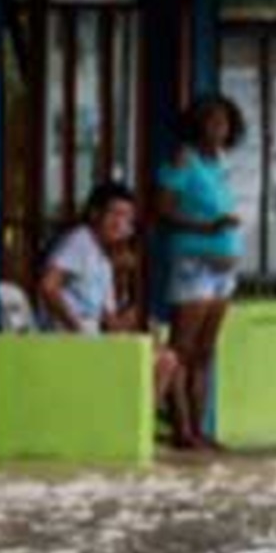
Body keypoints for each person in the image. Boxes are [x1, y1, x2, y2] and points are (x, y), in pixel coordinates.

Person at [40, 181, 183, 422]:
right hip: (68, 339)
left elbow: (109, 320)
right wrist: (75, 328)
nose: (120, 223)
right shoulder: (80, 241)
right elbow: (48, 286)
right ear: (95, 214)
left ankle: (137, 422)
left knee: (166, 357)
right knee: (163, 361)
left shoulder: (104, 258)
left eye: (127, 218)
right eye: (114, 214)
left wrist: (133, 316)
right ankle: (135, 423)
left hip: (94, 336)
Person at [156, 93, 246, 450]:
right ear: (196, 125)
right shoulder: (183, 160)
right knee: (183, 348)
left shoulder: (221, 162)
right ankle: (182, 428)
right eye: (210, 121)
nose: (218, 128)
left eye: (223, 122)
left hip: (224, 268)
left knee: (206, 352)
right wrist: (207, 227)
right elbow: (162, 210)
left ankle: (200, 426)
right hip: (194, 263)